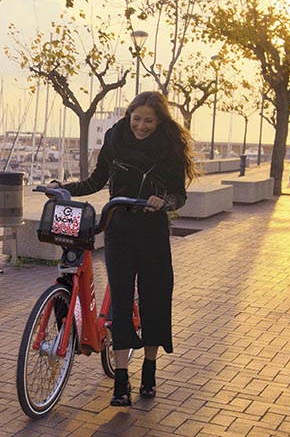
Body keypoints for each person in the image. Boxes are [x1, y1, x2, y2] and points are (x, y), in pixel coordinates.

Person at [49, 91, 197, 406]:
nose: (141, 126)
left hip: (153, 231)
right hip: (118, 229)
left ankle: (150, 369)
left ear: (159, 122)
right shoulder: (115, 138)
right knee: (120, 300)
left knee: (155, 300)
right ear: (128, 115)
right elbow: (95, 180)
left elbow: (178, 195)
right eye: (136, 119)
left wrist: (164, 202)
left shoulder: (168, 148)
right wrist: (63, 189)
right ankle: (120, 379)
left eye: (148, 121)